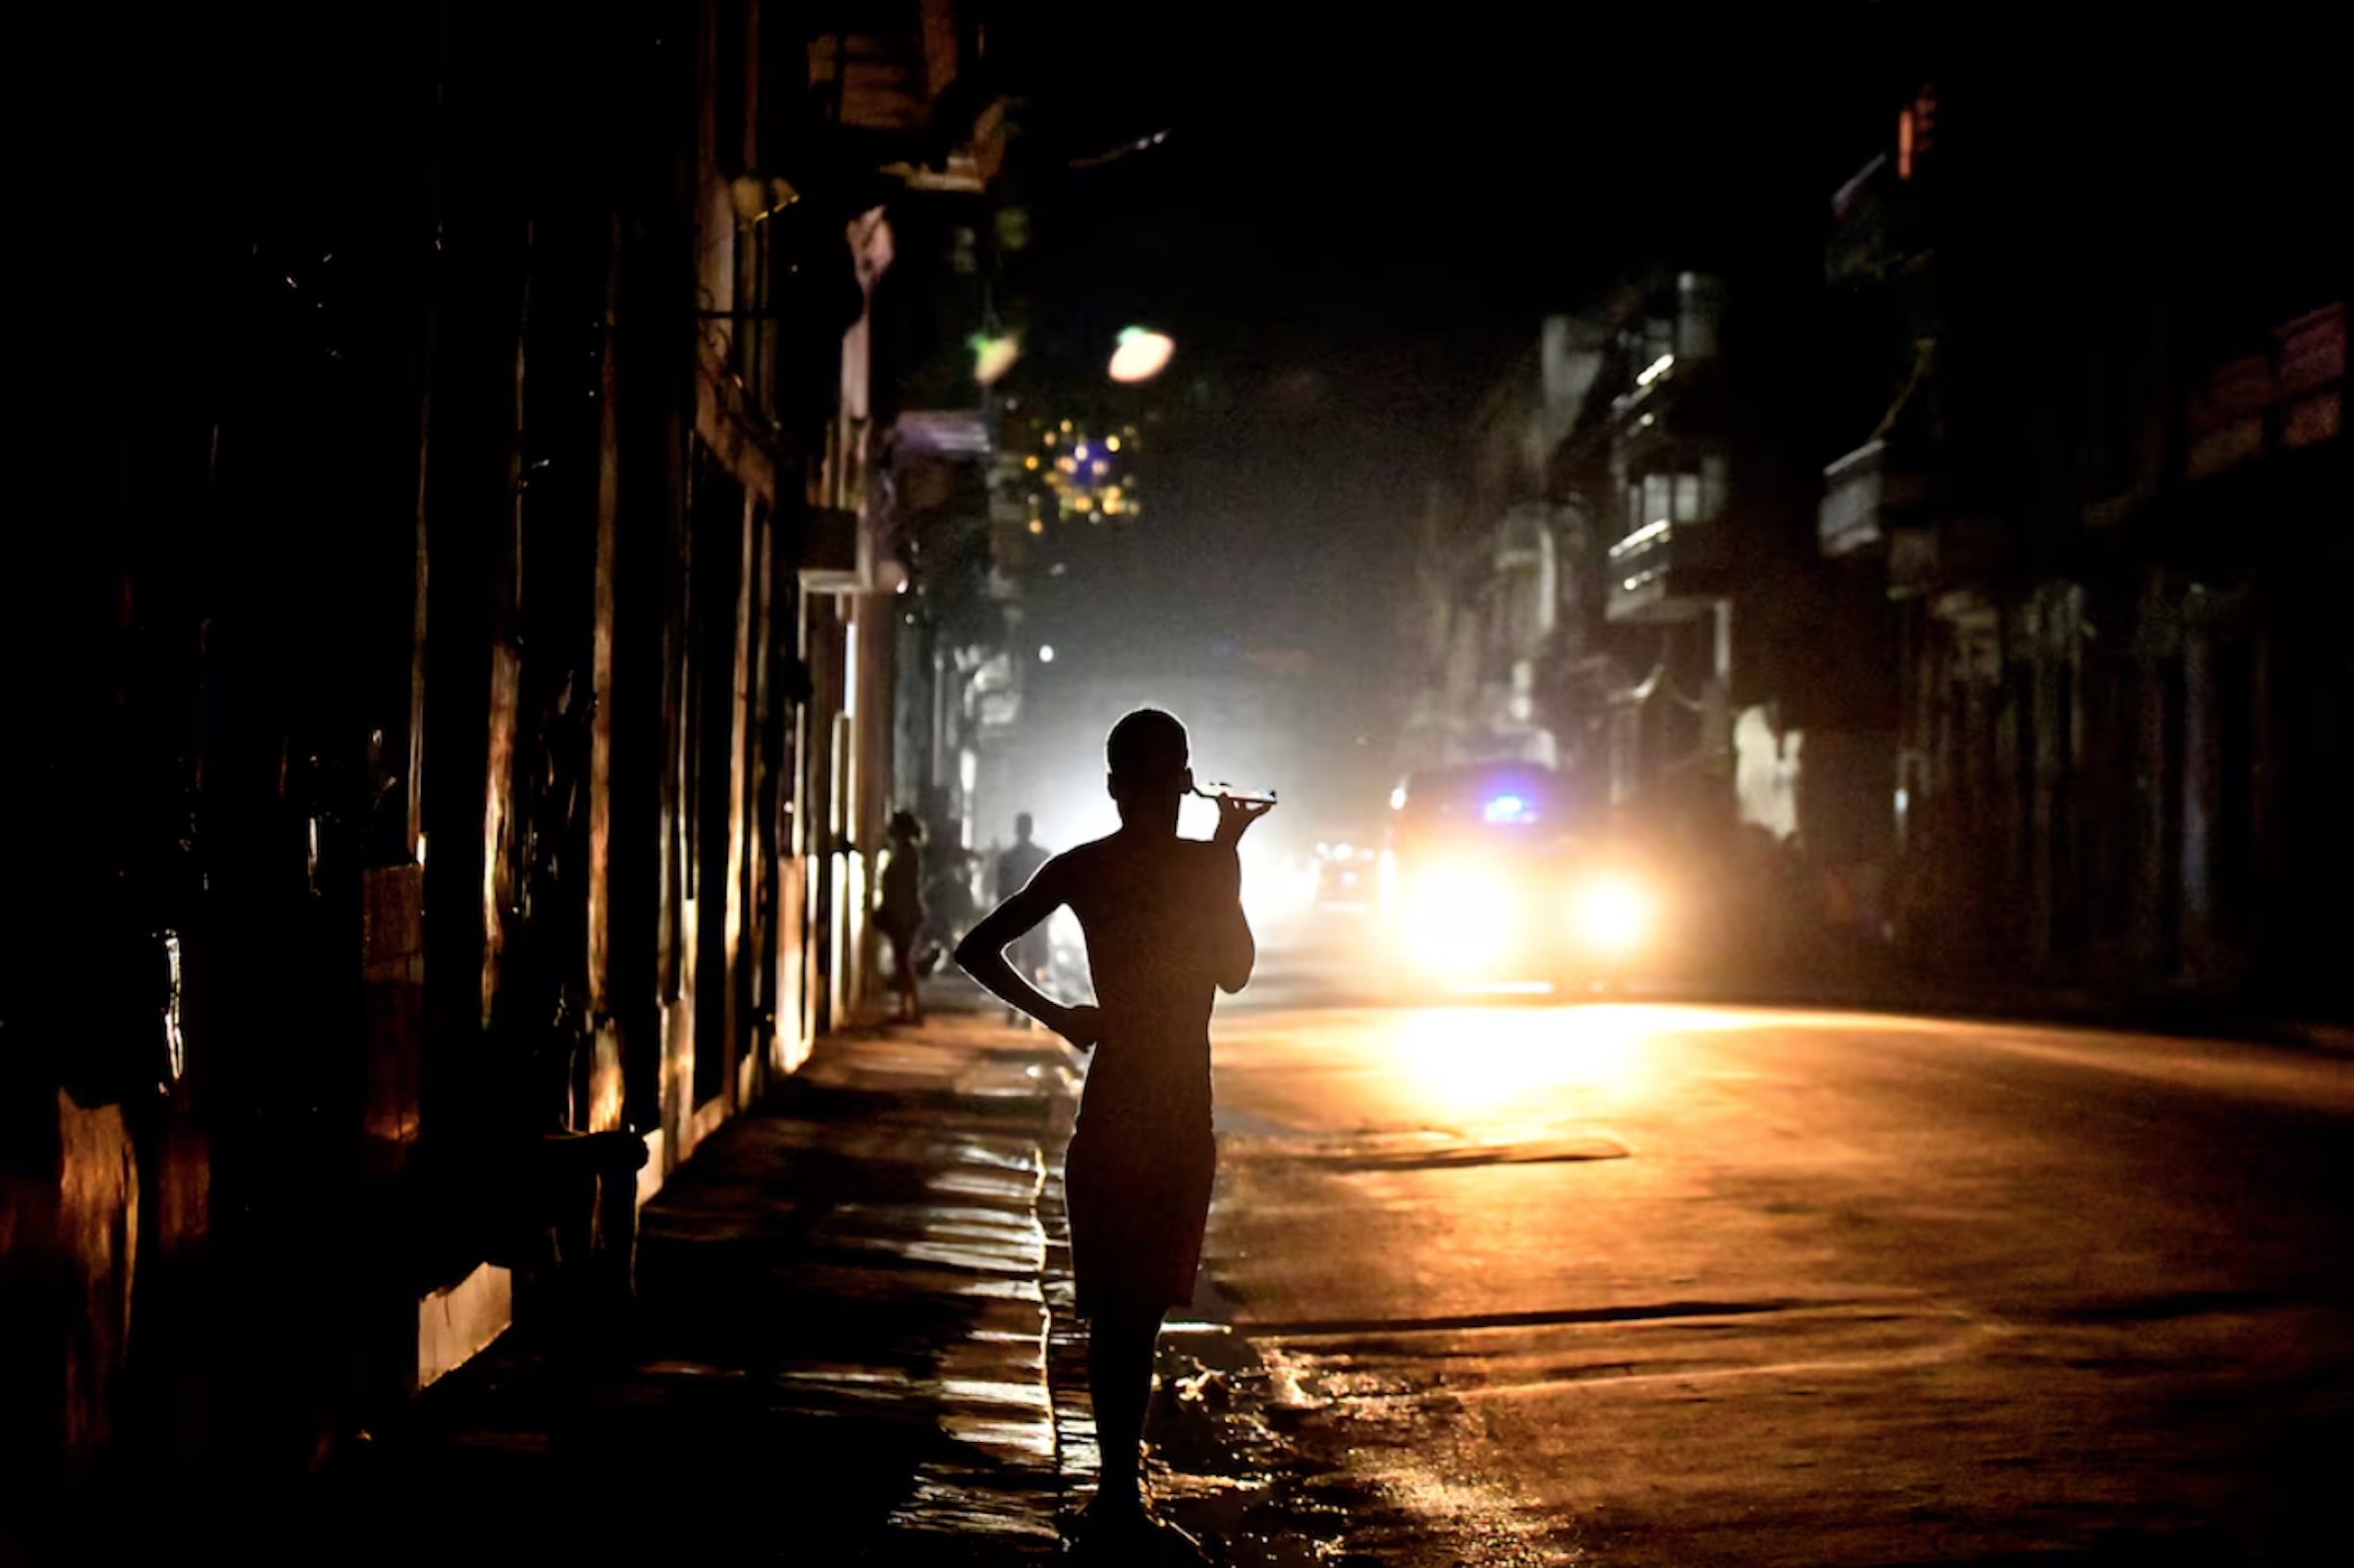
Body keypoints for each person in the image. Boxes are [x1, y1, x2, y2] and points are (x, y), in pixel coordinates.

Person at [955, 709, 1271, 1551]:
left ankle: (1118, 1493)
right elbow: (1235, 974)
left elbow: (977, 948)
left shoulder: (1086, 867)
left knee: (1111, 1310)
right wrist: (1228, 854)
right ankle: (1120, 1495)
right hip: (1177, 1114)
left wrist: (1061, 1017)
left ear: (1110, 785)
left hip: (1114, 1103)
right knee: (1144, 1312)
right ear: (1185, 783)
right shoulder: (1206, 868)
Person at [993, 813, 1054, 1025]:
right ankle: (1031, 1014)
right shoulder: (1042, 856)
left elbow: (1000, 891)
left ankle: (1012, 1010)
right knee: (1032, 966)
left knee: (1012, 966)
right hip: (1037, 917)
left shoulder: (1007, 859)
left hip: (1013, 916)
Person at [874, 810, 927, 1024]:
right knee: (903, 963)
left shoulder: (907, 854)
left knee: (904, 963)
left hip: (905, 914)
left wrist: (900, 914)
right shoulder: (905, 853)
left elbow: (905, 887)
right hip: (904, 913)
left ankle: (911, 1009)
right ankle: (909, 1008)